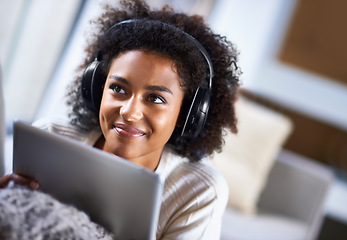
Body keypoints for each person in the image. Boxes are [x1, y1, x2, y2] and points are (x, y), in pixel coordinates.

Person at [0, 0, 241, 239]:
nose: (129, 111)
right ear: (97, 88)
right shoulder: (50, 135)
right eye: (118, 88)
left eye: (155, 99)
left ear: (186, 114)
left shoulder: (198, 192)